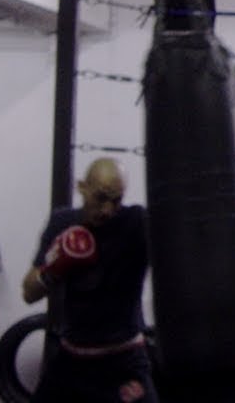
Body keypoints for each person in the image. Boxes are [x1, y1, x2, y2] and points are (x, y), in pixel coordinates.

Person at [22, 157, 158, 403]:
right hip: (72, 360)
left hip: (124, 361)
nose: (107, 210)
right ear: (82, 187)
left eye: (116, 200)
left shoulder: (136, 223)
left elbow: (173, 244)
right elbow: (29, 294)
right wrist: (53, 268)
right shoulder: (62, 223)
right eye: (100, 198)